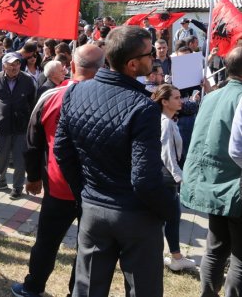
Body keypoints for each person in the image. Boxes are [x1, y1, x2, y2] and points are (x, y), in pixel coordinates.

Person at [54, 26, 179, 297]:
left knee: (87, 290)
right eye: (150, 54)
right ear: (132, 64)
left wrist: (85, 195)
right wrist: (171, 210)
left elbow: (62, 153)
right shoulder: (143, 107)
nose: (154, 59)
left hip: (94, 209)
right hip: (133, 215)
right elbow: (144, 180)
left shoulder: (76, 92)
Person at [13, 44, 105, 297]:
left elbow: (32, 143)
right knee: (87, 248)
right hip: (95, 191)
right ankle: (74, 291)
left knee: (47, 241)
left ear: (71, 67)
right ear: (103, 68)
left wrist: (33, 178)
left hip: (60, 185)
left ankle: (33, 287)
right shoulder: (110, 99)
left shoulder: (51, 96)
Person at [182, 46, 242, 297]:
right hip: (233, 186)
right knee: (238, 256)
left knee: (215, 247)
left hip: (212, 184)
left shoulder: (212, 96)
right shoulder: (236, 97)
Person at [149, 84, 197, 272]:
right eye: (176, 98)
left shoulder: (168, 120)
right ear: (165, 101)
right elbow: (167, 154)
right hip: (166, 177)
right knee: (170, 217)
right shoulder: (166, 122)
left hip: (166, 177)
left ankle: (173, 256)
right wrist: (179, 177)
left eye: (180, 97)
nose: (181, 101)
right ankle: (172, 257)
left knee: (170, 218)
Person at [0, 52, 36, 200]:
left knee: (20, 159)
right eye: (11, 64)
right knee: (0, 155)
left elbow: (32, 102)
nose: (15, 67)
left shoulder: (28, 80)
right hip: (1, 125)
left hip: (21, 126)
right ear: (4, 66)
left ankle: (17, 187)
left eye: (17, 64)